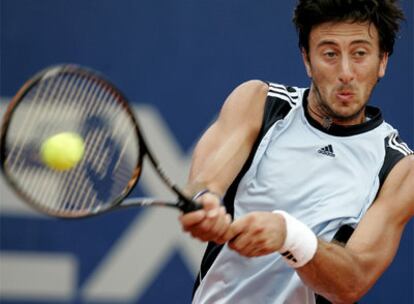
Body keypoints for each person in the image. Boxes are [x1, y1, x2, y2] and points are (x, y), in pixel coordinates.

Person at [179, 0, 413, 303]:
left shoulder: (398, 168)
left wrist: (290, 235)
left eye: (359, 54)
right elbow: (205, 182)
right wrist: (204, 204)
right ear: (307, 59)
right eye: (329, 54)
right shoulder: (259, 103)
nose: (346, 72)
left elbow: (352, 282)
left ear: (382, 61)